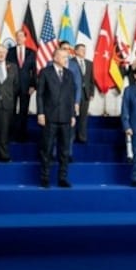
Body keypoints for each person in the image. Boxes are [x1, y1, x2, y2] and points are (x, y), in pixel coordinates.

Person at [36, 48, 77, 188]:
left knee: (64, 151)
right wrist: (40, 113)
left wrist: (72, 115)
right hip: (49, 117)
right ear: (55, 57)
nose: (66, 60)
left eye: (67, 57)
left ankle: (62, 178)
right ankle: (45, 178)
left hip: (66, 117)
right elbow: (40, 94)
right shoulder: (45, 72)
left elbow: (71, 97)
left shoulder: (69, 74)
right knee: (46, 149)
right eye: (64, 57)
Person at [6, 30, 36, 142]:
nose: (19, 38)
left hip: (26, 86)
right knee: (11, 110)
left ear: (25, 38)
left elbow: (34, 70)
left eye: (21, 36)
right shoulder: (9, 51)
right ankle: (10, 134)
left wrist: (33, 85)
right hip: (12, 86)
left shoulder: (31, 52)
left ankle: (22, 134)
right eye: (17, 36)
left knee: (24, 110)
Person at [73, 43, 94, 143]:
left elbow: (91, 79)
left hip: (85, 93)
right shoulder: (70, 62)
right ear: (76, 51)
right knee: (72, 115)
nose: (84, 52)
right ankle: (71, 137)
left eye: (84, 50)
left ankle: (82, 137)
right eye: (81, 50)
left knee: (83, 116)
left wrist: (91, 92)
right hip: (74, 93)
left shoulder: (89, 63)